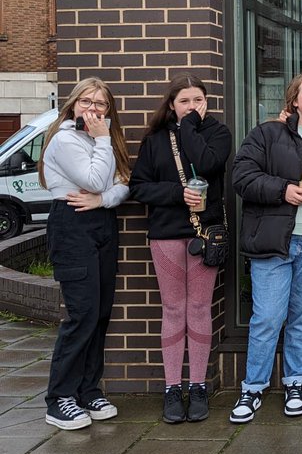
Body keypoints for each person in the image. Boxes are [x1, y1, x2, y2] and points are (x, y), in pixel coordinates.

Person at [229, 72, 302, 424]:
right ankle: (253, 388)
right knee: (266, 318)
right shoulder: (268, 133)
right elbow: (241, 176)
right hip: (274, 242)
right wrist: (283, 189)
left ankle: (296, 383)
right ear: (294, 100)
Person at [130, 75, 232, 424]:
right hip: (166, 236)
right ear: (171, 104)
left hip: (205, 235)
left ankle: (198, 385)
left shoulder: (218, 134)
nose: (193, 107)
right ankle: (173, 387)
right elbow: (139, 187)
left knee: (200, 307)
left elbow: (206, 164)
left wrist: (189, 126)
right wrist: (177, 194)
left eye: (199, 100)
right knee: (174, 309)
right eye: (185, 101)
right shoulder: (155, 140)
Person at [39, 78, 131, 430]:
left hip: (103, 224)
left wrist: (103, 198)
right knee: (83, 314)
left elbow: (123, 182)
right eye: (87, 102)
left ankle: (88, 390)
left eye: (101, 105)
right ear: (73, 105)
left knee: (102, 312)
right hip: (72, 225)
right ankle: (59, 398)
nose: (93, 110)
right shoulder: (65, 139)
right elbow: (95, 179)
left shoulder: (104, 140)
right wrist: (103, 144)